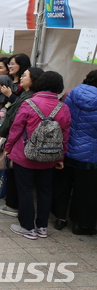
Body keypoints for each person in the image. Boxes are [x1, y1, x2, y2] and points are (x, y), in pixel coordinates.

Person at [5, 71, 70, 239]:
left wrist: (8, 147)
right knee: (45, 190)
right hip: (49, 156)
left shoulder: (29, 103)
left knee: (25, 190)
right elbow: (65, 135)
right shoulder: (63, 107)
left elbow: (16, 128)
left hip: (25, 154)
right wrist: (61, 157)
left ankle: (27, 227)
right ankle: (42, 227)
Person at [0, 67, 44, 216]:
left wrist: (4, 134)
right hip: (27, 143)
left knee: (17, 176)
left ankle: (13, 206)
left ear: (34, 80)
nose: (21, 78)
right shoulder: (27, 94)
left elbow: (15, 120)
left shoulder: (28, 98)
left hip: (20, 142)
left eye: (25, 75)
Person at [51, 70, 97, 235]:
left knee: (63, 186)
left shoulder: (70, 94)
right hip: (90, 155)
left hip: (67, 149)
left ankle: (60, 218)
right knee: (85, 191)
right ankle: (80, 224)